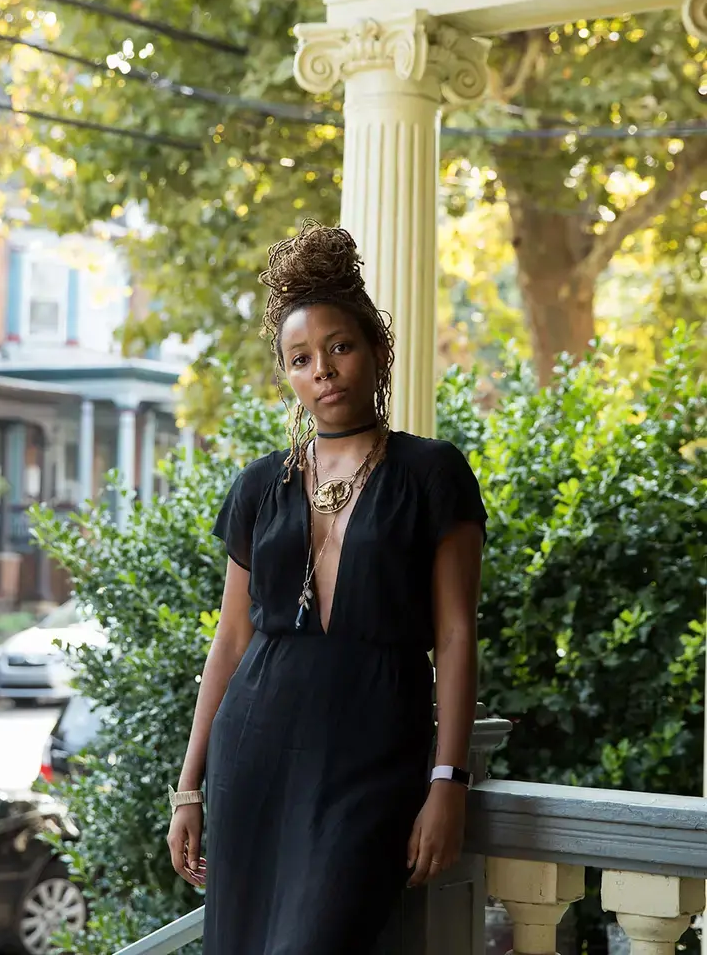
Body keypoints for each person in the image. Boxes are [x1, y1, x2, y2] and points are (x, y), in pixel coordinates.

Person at [166, 221, 487, 954]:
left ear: (377, 351)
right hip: (254, 746)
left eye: (339, 347)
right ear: (286, 374)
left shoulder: (431, 473)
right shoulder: (259, 485)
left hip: (371, 750)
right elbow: (233, 638)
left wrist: (449, 781)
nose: (324, 370)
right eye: (300, 357)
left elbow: (456, 634)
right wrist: (190, 786)